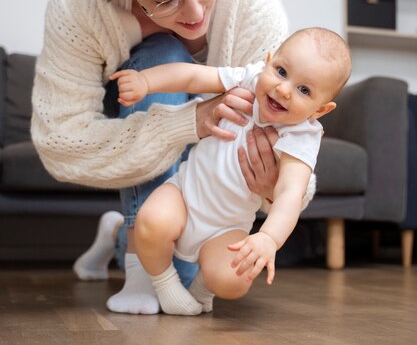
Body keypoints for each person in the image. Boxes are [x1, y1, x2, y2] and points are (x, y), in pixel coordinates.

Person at [31, 0, 289, 314]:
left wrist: (274, 186)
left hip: (218, 157)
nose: (194, 11)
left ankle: (120, 232)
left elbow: (292, 138)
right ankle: (135, 256)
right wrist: (186, 124)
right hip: (139, 109)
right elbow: (59, 145)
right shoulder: (78, 5)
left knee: (193, 274)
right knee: (162, 51)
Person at [110, 27, 352, 315]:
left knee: (235, 280)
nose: (283, 89)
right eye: (282, 71)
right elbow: (192, 75)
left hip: (227, 228)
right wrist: (146, 81)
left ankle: (202, 288)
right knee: (149, 221)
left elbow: (290, 194)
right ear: (269, 60)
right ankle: (166, 285)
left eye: (304, 90)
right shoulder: (249, 80)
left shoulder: (303, 136)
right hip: (184, 197)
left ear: (320, 110)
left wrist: (268, 238)